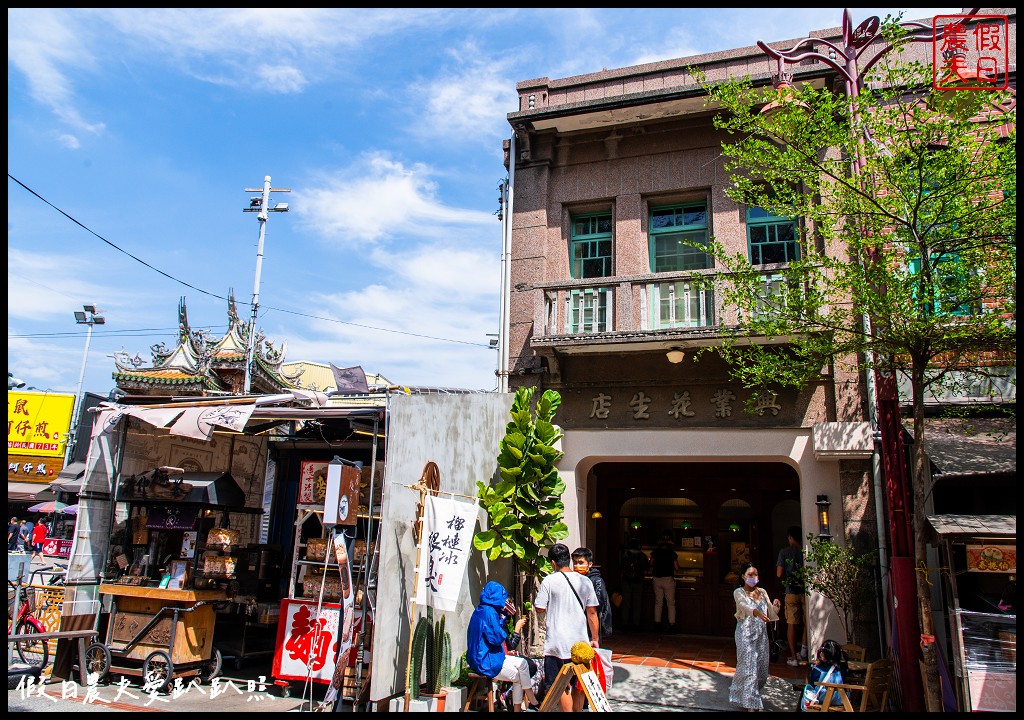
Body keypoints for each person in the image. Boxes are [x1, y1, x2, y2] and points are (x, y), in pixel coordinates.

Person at [535, 543, 599, 712]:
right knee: (579, 682)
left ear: (553, 563)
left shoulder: (549, 580)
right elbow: (592, 613)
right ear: (569, 559)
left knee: (559, 685)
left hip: (556, 643)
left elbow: (539, 607)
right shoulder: (585, 581)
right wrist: (595, 639)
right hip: (580, 644)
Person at [467, 581, 540, 712]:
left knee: (522, 668)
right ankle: (529, 704)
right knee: (520, 672)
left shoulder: (480, 609)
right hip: (486, 660)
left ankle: (529, 703)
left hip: (480, 656)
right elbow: (496, 639)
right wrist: (502, 625)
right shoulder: (490, 613)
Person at [729, 562, 782, 712]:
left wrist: (777, 607)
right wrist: (755, 612)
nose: (753, 577)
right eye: (750, 575)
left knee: (761, 670)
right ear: (743, 576)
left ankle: (744, 693)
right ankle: (752, 705)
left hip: (761, 635)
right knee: (750, 667)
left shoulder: (763, 592)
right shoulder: (739, 592)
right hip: (745, 634)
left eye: (755, 574)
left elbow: (770, 614)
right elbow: (743, 606)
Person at [776, 525, 808, 666]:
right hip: (805, 590)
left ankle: (794, 657)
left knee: (791, 624)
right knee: (807, 622)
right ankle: (805, 652)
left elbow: (779, 573)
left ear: (790, 537)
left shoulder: (784, 552)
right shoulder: (805, 551)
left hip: (790, 591)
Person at [572, 546, 612, 640]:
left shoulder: (596, 581)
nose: (577, 566)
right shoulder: (573, 579)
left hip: (590, 627)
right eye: (575, 563)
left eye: (581, 563)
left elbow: (597, 605)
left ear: (590, 564)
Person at [650, 531, 680, 633]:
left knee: (658, 602)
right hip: (668, 579)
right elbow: (676, 567)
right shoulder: (671, 553)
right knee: (671, 603)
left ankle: (657, 624)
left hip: (657, 578)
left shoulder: (655, 552)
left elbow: (651, 563)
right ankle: (672, 625)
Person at [619, 536, 648, 631]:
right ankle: (636, 624)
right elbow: (645, 570)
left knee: (626, 603)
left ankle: (624, 623)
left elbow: (621, 568)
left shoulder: (625, 555)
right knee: (637, 603)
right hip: (638, 581)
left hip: (626, 581)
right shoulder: (643, 556)